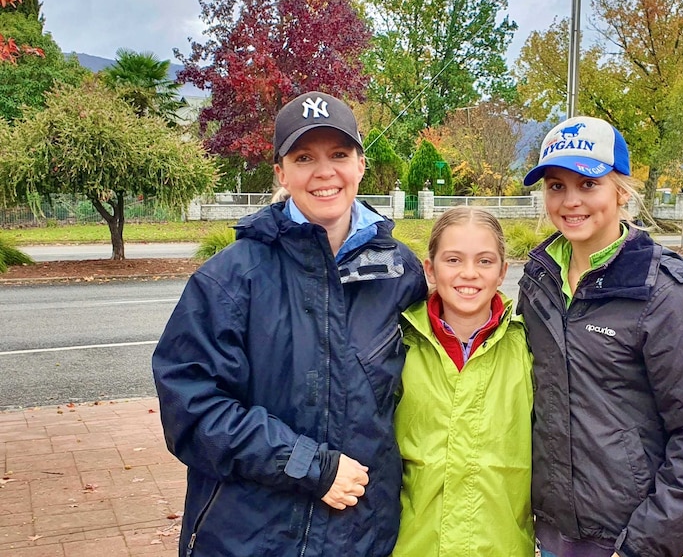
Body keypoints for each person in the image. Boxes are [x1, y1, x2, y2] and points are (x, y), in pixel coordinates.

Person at [151, 91, 427, 557]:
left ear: (361, 164)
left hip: (363, 536)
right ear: (281, 173)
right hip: (250, 536)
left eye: (339, 154)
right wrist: (310, 467)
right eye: (304, 157)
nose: (324, 172)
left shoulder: (400, 272)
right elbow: (190, 409)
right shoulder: (230, 278)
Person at [517, 116, 683, 557]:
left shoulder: (663, 292)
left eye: (588, 184)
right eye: (556, 186)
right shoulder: (537, 282)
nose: (571, 201)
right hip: (550, 534)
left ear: (620, 189)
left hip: (623, 540)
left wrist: (644, 546)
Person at [392, 207, 535, 557]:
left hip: (500, 546)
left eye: (484, 261)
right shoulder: (397, 345)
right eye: (453, 260)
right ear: (430, 268)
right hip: (412, 545)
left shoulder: (529, 349)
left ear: (503, 272)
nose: (468, 274)